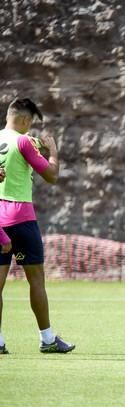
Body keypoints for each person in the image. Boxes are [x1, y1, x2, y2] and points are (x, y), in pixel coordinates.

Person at [0, 97, 75, 355]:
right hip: (21, 218)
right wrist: (52, 151)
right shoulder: (24, 141)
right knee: (36, 280)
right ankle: (47, 339)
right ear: (23, 119)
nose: (29, 128)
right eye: (30, 122)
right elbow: (51, 176)